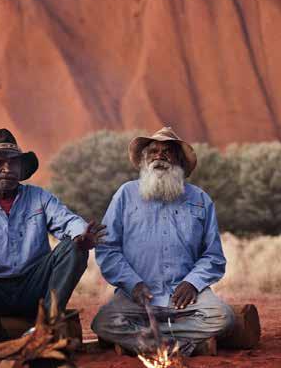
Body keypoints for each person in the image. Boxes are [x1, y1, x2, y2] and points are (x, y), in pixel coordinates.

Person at [0, 128, 106, 342]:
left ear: (21, 169)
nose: (7, 169)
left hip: (35, 290)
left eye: (14, 163)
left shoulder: (39, 197)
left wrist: (81, 233)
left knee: (76, 248)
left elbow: (68, 221)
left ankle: (47, 326)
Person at [92, 126, 233, 356]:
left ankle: (149, 341)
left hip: (185, 297)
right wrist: (132, 283)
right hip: (138, 295)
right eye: (153, 151)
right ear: (143, 160)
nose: (160, 156)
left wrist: (193, 283)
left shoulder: (200, 199)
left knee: (223, 317)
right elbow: (108, 248)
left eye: (167, 152)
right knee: (103, 322)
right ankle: (183, 343)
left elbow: (213, 255)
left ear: (179, 161)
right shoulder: (125, 195)